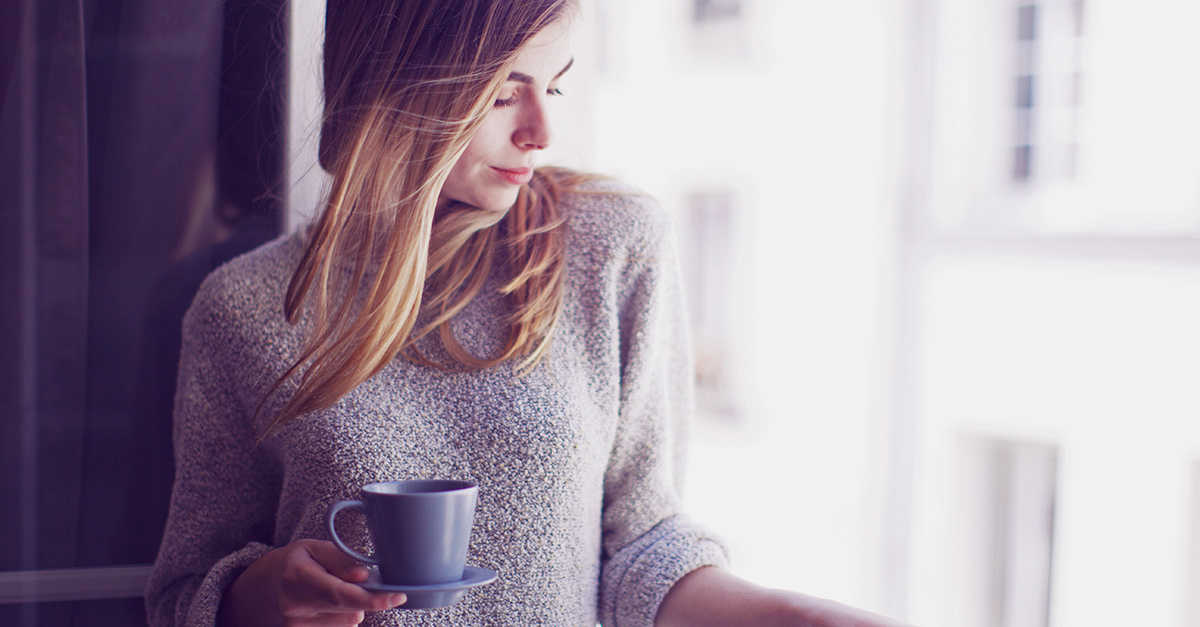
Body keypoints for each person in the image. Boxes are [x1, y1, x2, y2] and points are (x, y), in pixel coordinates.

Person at [146, 1, 913, 626]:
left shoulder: (612, 245)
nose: (540, 133)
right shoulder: (241, 308)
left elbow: (641, 551)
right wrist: (259, 593)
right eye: (502, 91)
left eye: (555, 85)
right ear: (397, 86)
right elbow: (182, 594)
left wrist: (801, 616)